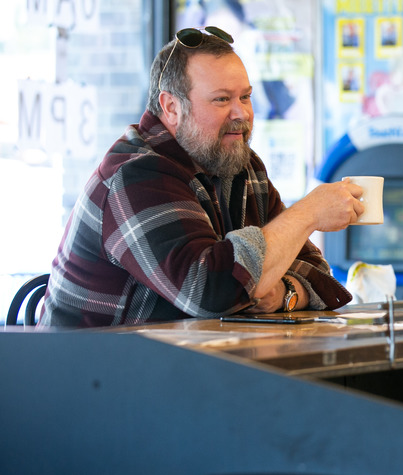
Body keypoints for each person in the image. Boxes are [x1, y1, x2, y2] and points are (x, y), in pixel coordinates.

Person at [40, 27, 364, 327]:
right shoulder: (135, 175)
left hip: (175, 369)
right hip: (89, 376)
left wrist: (282, 294)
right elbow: (211, 291)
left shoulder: (240, 164)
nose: (241, 114)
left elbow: (322, 279)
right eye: (222, 99)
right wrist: (307, 214)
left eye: (245, 97)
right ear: (171, 107)